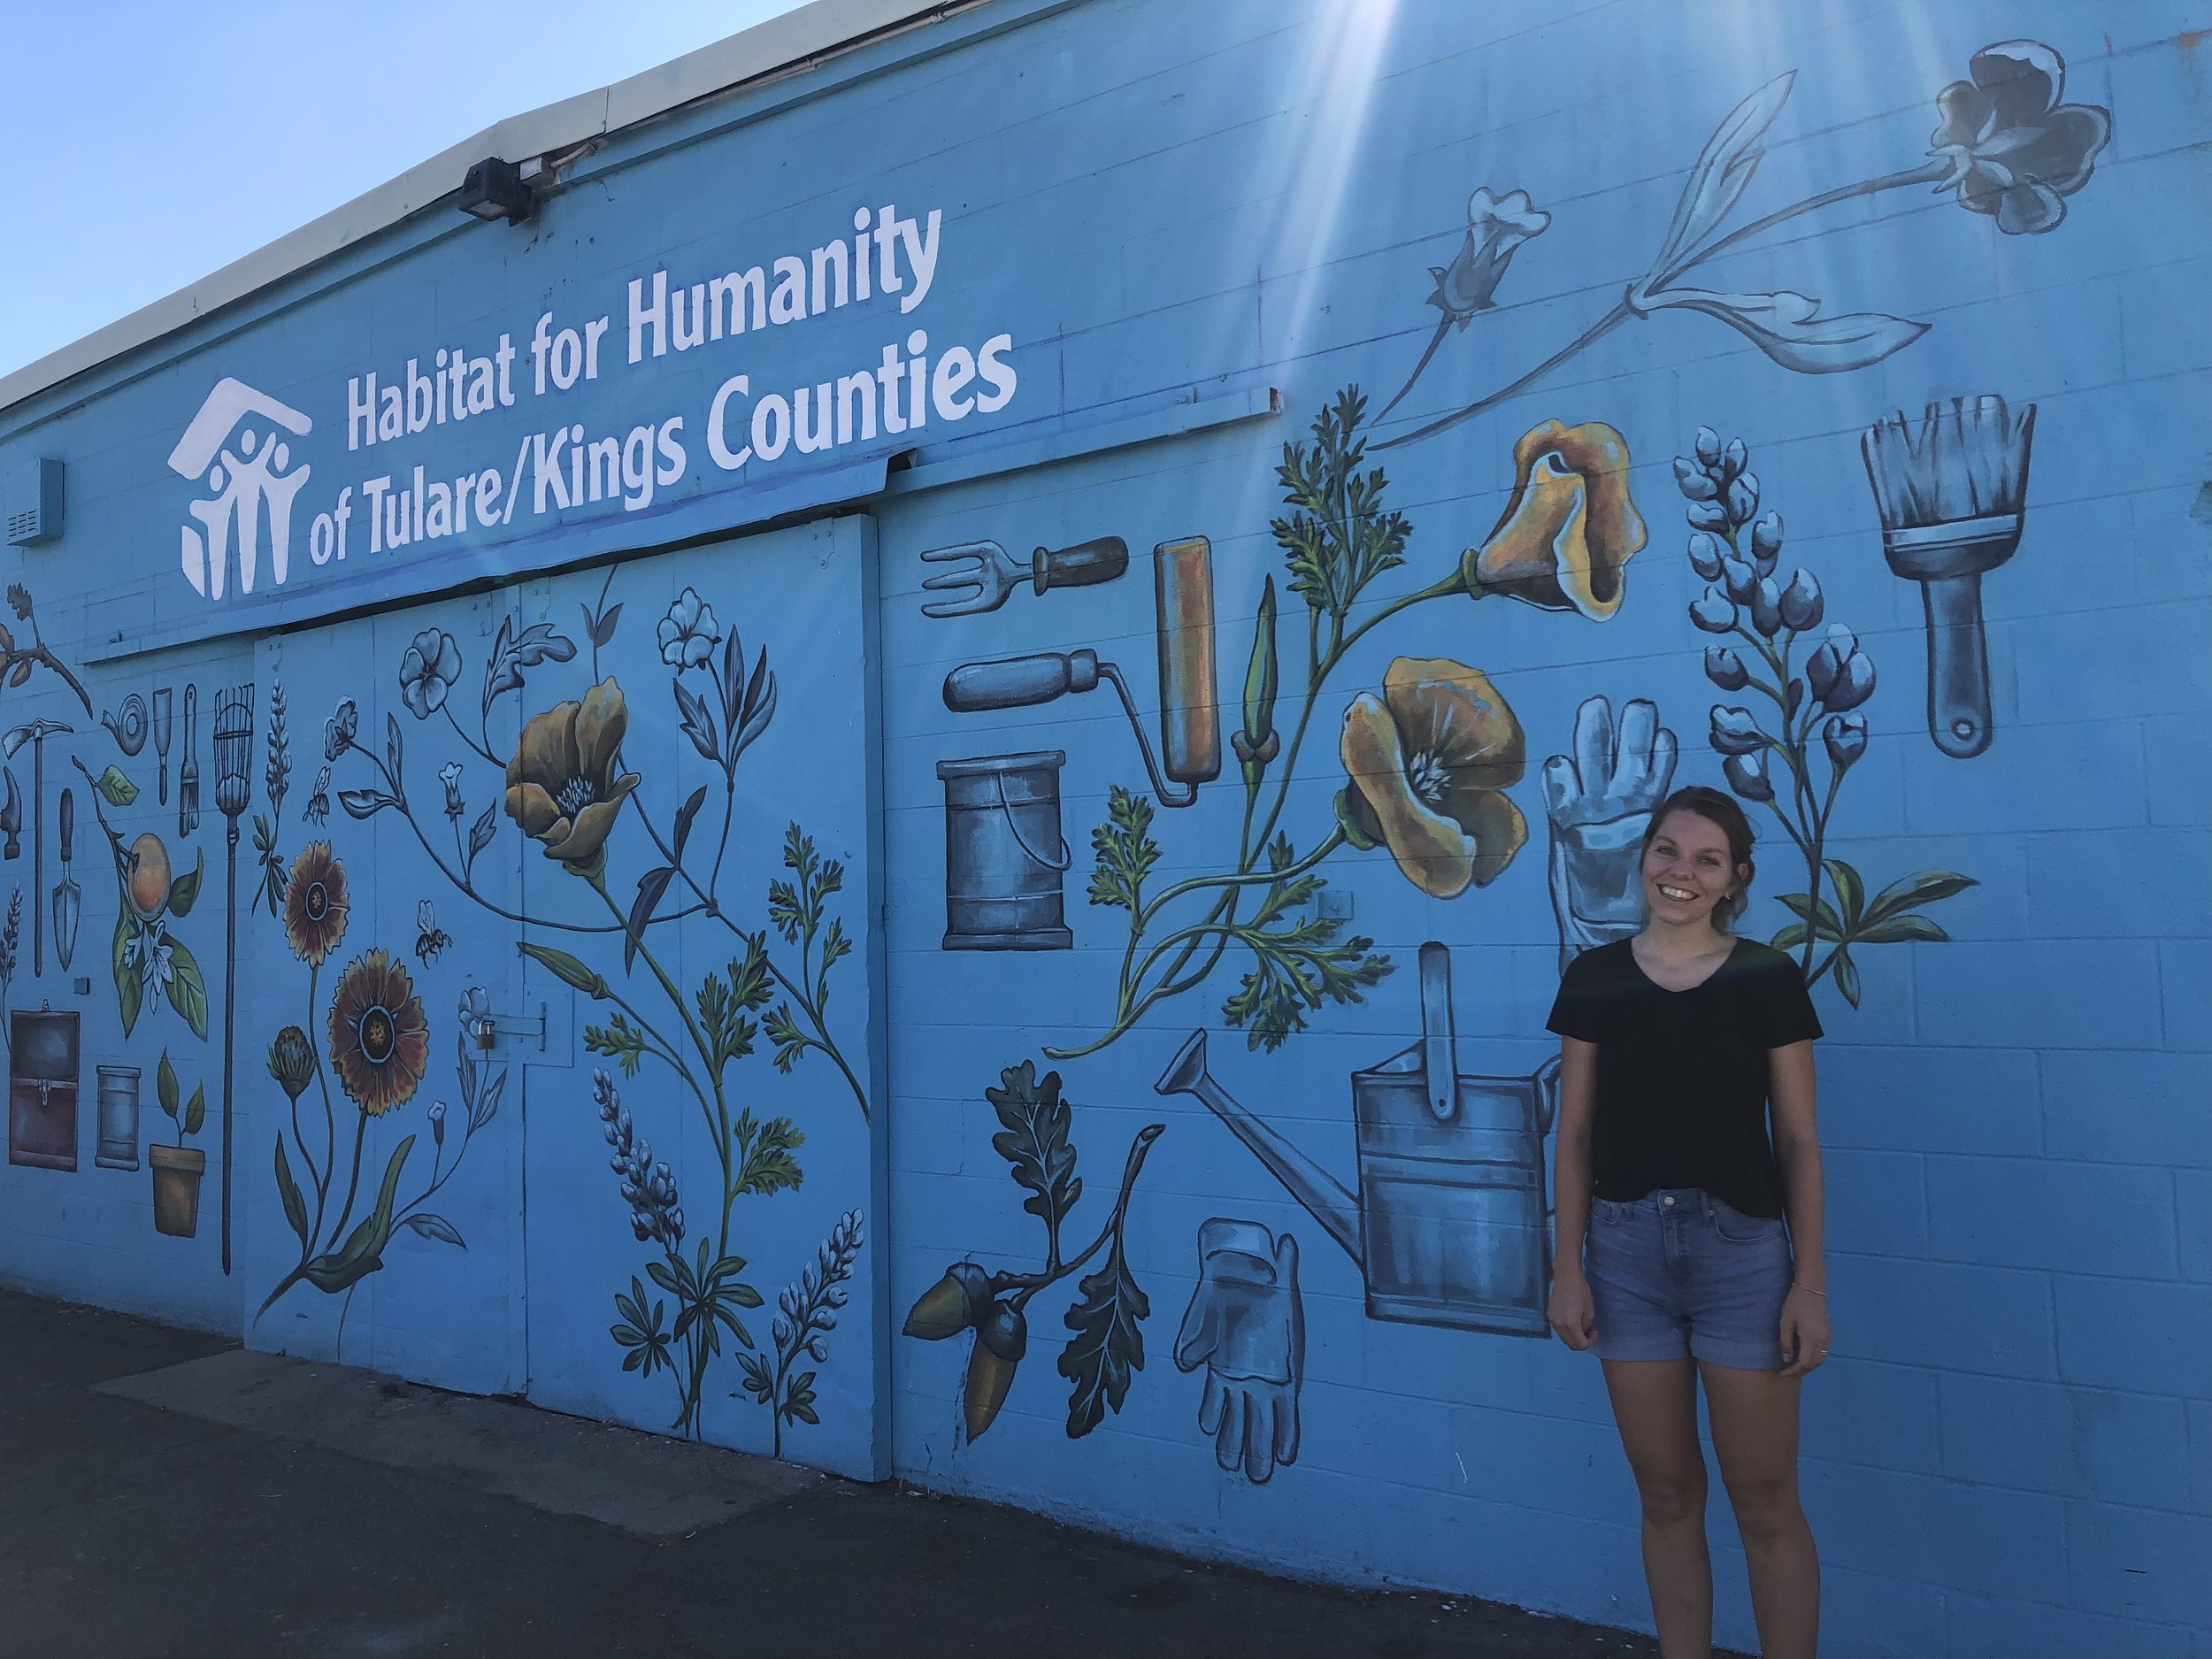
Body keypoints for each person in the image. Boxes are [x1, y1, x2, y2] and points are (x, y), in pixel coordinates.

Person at [1545, 784, 1829, 1659]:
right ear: (1645, 856)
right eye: (1668, 850)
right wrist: (1567, 1267)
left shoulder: (1765, 977)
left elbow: (1801, 1144)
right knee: (1665, 1493)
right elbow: (1575, 1134)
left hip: (1742, 1257)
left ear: (1734, 878)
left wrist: (1807, 1284)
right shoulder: (1594, 978)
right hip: (1624, 1254)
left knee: (1763, 1499)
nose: (1681, 872)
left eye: (1707, 859)